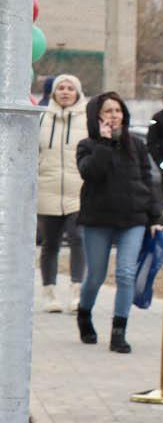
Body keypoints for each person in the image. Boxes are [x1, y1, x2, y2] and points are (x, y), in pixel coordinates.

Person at [75, 93, 161, 354]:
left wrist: (154, 216)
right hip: (97, 219)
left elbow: (149, 180)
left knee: (126, 274)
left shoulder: (136, 144)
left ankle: (118, 331)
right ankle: (84, 314)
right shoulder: (87, 145)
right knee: (95, 277)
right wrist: (103, 143)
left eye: (118, 110)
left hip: (133, 219)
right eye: (107, 111)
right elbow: (91, 173)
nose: (114, 115)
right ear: (96, 116)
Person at [36, 73, 87, 314]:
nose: (65, 92)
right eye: (61, 88)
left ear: (78, 93)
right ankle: (49, 292)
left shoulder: (88, 119)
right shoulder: (41, 117)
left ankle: (77, 291)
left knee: (78, 239)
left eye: (70, 88)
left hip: (79, 191)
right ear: (53, 92)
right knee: (50, 244)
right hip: (47, 190)